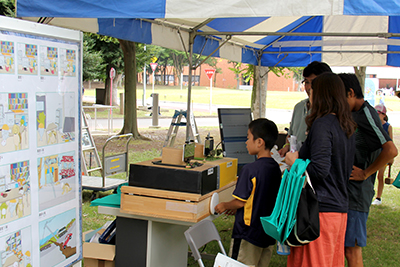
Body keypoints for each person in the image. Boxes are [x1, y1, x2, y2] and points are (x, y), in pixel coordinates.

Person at [285, 72, 357, 267]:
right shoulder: (345, 125)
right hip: (338, 211)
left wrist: (295, 162)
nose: (310, 96)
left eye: (312, 92)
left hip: (319, 212)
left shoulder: (323, 124)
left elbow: (319, 170)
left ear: (321, 95)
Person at [338, 73, 398, 267]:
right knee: (343, 247)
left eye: (339, 96)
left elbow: (391, 150)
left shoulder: (366, 113)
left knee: (352, 250)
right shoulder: (353, 113)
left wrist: (366, 173)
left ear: (350, 93)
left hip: (357, 195)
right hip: (347, 193)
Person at [214, 118, 281, 267]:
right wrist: (235, 207)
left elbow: (240, 201)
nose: (246, 142)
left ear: (259, 142)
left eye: (248, 137)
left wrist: (225, 205)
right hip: (268, 232)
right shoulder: (276, 168)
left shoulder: (250, 170)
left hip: (247, 233)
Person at [279, 61, 332, 156]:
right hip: (296, 166)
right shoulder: (299, 107)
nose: (309, 87)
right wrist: (287, 146)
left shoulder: (331, 112)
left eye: (314, 82)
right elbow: (291, 135)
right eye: (306, 82)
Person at [372, 104, 394, 205]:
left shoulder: (388, 126)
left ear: (384, 115)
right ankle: (370, 193)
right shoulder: (373, 124)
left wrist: (391, 158)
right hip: (373, 154)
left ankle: (378, 197)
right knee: (371, 174)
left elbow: (391, 142)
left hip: (383, 154)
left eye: (379, 113)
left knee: (380, 176)